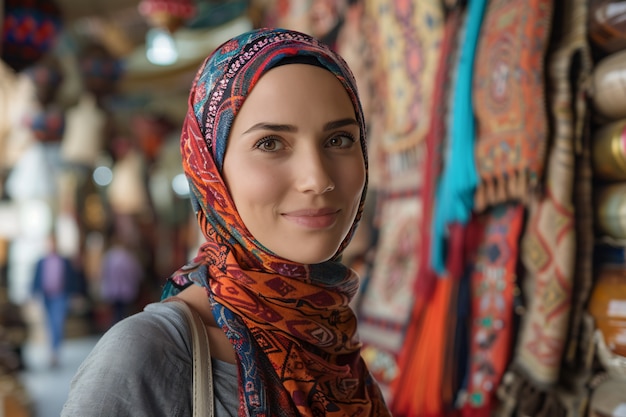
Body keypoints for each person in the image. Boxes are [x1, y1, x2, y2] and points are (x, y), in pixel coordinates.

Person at [62, 27, 392, 416]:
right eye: (270, 143)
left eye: (339, 140)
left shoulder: (331, 335)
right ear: (210, 170)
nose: (317, 179)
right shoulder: (146, 354)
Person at [31, 234, 80, 367]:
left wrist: (74, 295)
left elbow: (71, 278)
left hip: (61, 296)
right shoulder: (41, 261)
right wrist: (33, 294)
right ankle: (52, 350)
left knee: (57, 322)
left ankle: (55, 352)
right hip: (46, 296)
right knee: (49, 323)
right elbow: (36, 278)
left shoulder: (64, 260)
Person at [99, 234, 144, 327]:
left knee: (116, 311)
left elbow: (103, 272)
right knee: (124, 311)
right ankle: (123, 327)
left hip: (113, 289)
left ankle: (116, 327)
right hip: (126, 288)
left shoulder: (109, 256)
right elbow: (136, 272)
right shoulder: (127, 256)